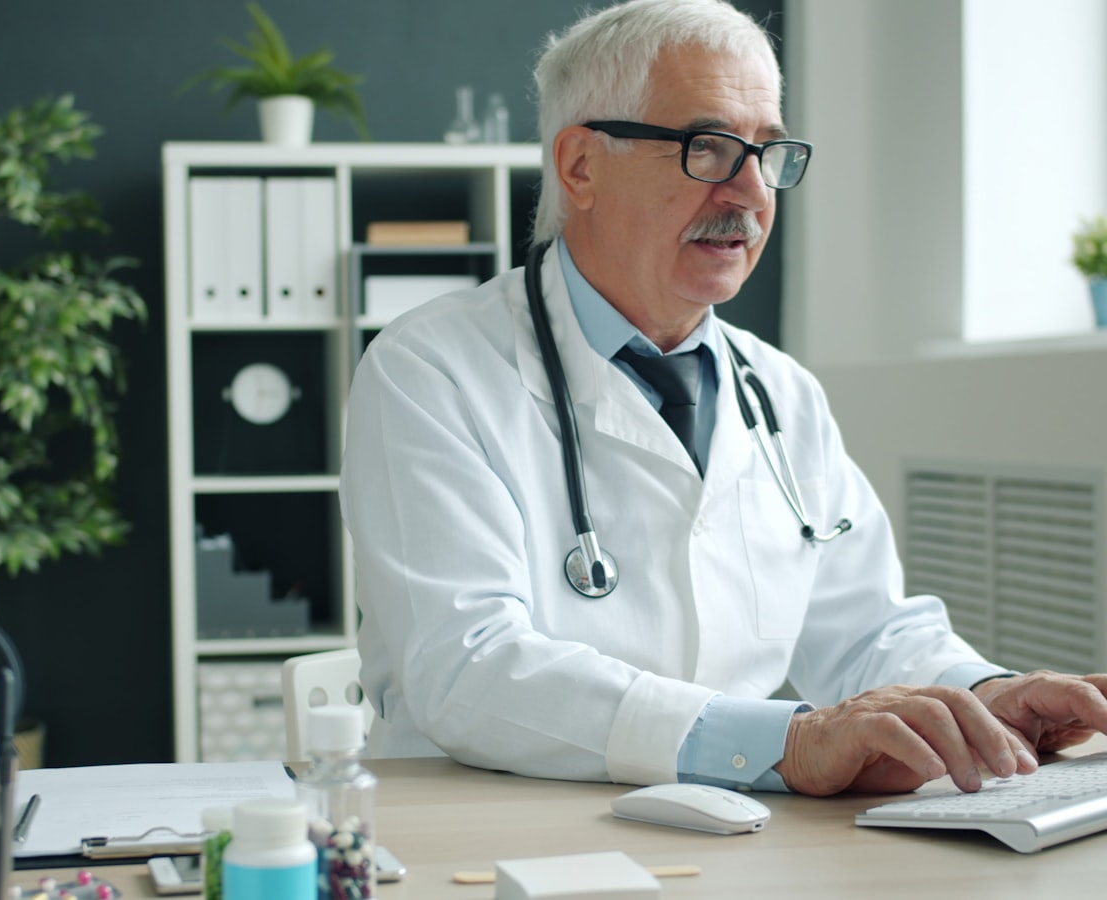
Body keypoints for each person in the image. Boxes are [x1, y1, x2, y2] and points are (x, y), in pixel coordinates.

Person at [339, 0, 1107, 796]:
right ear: (580, 166)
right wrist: (787, 741)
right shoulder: (430, 370)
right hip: (488, 827)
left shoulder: (781, 393)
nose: (750, 190)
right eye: (707, 148)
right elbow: (469, 666)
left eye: (768, 152)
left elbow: (865, 631)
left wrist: (983, 696)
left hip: (723, 830)